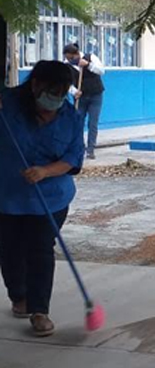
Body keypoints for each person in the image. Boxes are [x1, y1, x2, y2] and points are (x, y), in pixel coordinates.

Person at [0, 60, 85, 337]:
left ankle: (40, 311)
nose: (56, 100)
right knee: (10, 249)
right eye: (51, 92)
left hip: (50, 198)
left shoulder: (70, 117)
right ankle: (19, 295)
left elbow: (73, 158)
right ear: (35, 84)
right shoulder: (7, 105)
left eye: (61, 93)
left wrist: (45, 171)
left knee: (40, 249)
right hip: (7, 195)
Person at [63, 44, 105, 160]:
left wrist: (88, 65)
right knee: (78, 122)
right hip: (80, 98)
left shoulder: (90, 57)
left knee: (92, 123)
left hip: (95, 95)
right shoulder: (66, 66)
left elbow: (101, 71)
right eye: (67, 58)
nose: (69, 60)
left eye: (71, 58)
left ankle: (90, 150)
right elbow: (66, 82)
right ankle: (79, 148)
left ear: (77, 54)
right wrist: (74, 91)